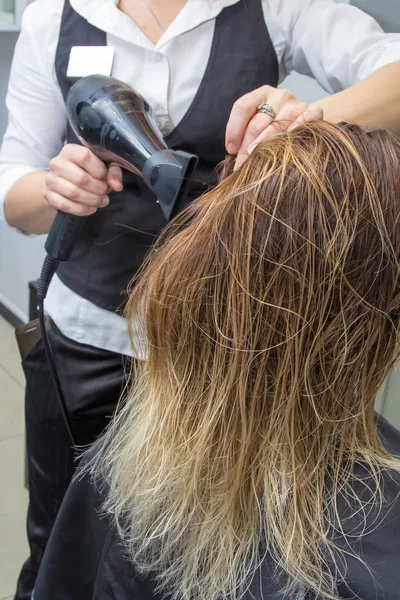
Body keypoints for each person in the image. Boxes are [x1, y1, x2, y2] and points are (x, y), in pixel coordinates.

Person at [0, 1, 400, 598]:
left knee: (197, 543)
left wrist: (305, 118)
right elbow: (15, 191)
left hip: (220, 353)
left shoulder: (275, 6)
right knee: (65, 526)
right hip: (85, 335)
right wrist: (55, 188)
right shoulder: (53, 16)